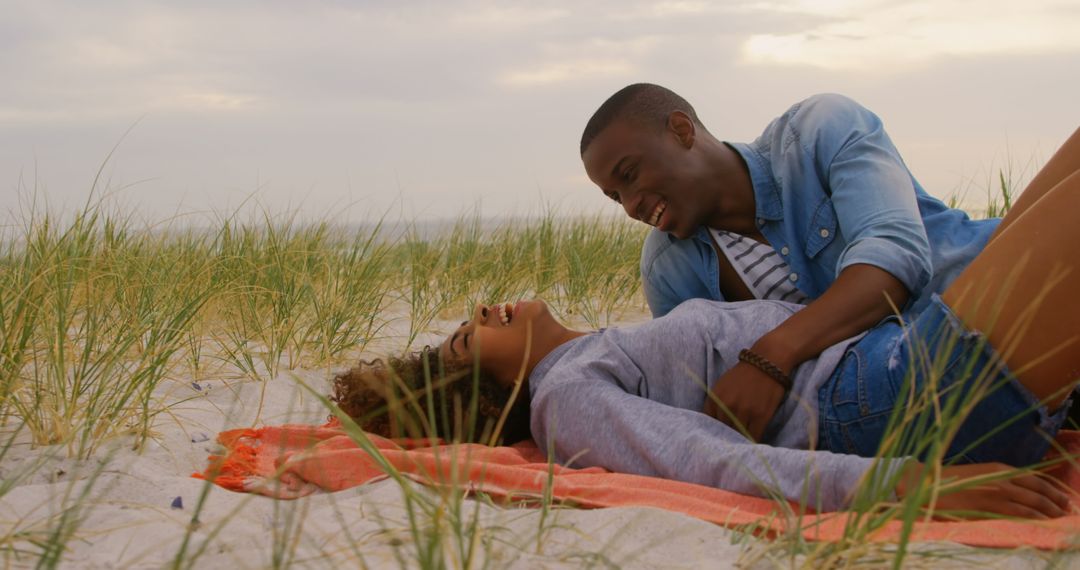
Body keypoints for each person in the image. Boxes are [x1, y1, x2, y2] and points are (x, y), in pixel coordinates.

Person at [332, 130, 1079, 517]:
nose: (483, 312)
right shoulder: (567, 398)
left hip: (895, 365)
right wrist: (914, 487)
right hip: (893, 396)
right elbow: (713, 463)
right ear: (494, 385)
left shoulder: (598, 350)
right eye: (472, 335)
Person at [579, 84, 1007, 440]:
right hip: (925, 398)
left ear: (681, 130)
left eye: (630, 174)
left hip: (1006, 296)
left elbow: (894, 255)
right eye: (615, 196)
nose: (631, 206)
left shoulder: (819, 130)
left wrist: (770, 356)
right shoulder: (668, 268)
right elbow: (698, 383)